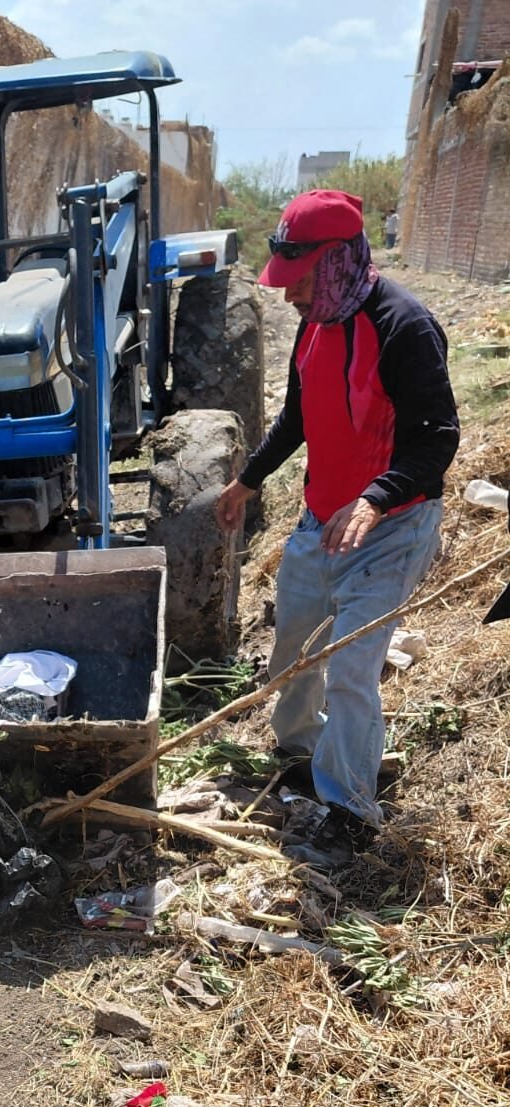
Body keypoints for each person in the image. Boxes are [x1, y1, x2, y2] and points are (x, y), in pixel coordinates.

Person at [215, 189, 459, 840]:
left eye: (298, 283)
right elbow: (298, 414)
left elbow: (437, 439)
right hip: (322, 521)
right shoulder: (319, 317)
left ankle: (351, 808)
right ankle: (299, 751)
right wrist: (248, 480)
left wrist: (377, 497)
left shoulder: (405, 326)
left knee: (351, 669)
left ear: (335, 262)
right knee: (293, 648)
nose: (289, 297)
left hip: (391, 528)